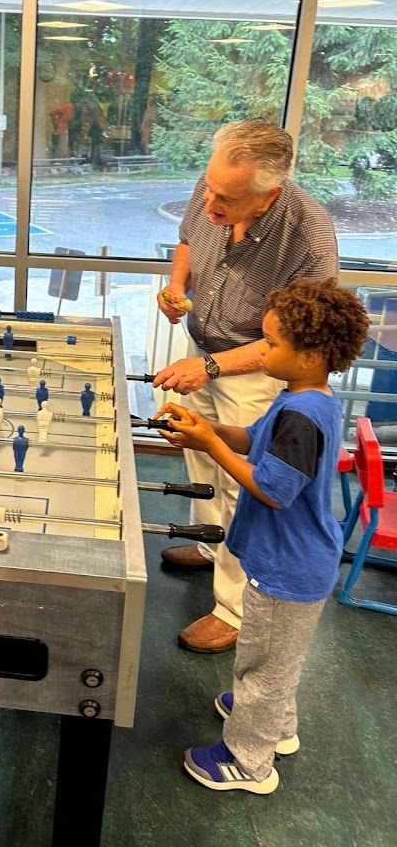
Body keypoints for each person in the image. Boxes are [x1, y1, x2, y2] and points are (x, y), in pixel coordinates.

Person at [156, 279, 369, 794]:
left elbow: (273, 489)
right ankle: (276, 725)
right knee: (274, 660)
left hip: (289, 568)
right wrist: (207, 428)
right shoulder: (304, 396)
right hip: (288, 562)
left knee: (262, 668)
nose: (262, 352)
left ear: (311, 355)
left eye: (271, 344)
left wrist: (210, 446)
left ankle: (249, 762)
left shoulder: (302, 415)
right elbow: (253, 438)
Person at [153, 119, 339, 653]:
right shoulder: (214, 186)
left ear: (269, 194)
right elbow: (187, 242)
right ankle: (210, 545)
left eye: (227, 199)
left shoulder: (308, 233)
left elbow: (300, 337)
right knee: (199, 451)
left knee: (241, 484)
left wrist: (213, 368)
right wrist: (176, 285)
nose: (211, 203)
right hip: (202, 346)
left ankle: (233, 608)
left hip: (256, 366)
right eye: (210, 188)